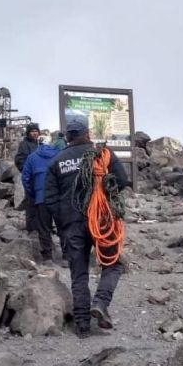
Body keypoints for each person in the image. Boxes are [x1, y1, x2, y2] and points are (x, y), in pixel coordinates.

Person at [45, 122, 129, 338]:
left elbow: (50, 199)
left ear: (68, 137)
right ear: (87, 134)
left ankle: (82, 324)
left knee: (79, 272)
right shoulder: (102, 153)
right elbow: (121, 180)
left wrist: (63, 223)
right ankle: (100, 302)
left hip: (72, 224)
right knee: (113, 263)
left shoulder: (56, 162)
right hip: (101, 219)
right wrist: (106, 195)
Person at [21, 142, 60, 264]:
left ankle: (47, 257)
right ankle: (67, 257)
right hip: (58, 197)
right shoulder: (60, 155)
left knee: (43, 227)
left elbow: (25, 177)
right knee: (63, 226)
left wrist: (32, 193)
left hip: (41, 197)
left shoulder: (32, 157)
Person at [15, 123, 41, 232]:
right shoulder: (24, 144)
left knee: (40, 203)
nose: (35, 133)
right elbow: (19, 160)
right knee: (31, 203)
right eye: (32, 131)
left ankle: (40, 226)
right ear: (28, 133)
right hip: (31, 178)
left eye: (36, 131)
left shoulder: (39, 144)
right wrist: (27, 173)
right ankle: (31, 228)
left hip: (39, 179)